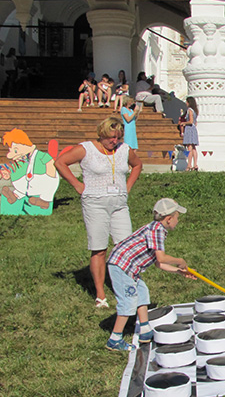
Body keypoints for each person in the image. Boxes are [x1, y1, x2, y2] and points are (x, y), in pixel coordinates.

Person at [54, 116, 143, 309]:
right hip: (95, 203)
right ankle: (100, 294)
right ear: (101, 134)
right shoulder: (86, 149)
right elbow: (60, 162)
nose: (114, 141)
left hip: (119, 204)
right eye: (111, 137)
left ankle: (127, 287)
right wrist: (77, 185)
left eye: (118, 137)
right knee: (99, 248)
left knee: (125, 246)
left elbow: (137, 165)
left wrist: (127, 186)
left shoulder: (124, 150)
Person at [104, 198, 194, 351]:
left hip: (130, 268)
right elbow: (162, 258)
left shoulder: (157, 229)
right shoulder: (156, 230)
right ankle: (115, 339)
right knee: (128, 302)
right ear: (169, 219)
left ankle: (145, 330)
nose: (178, 221)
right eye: (177, 218)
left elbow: (159, 264)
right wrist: (180, 261)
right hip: (121, 266)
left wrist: (179, 271)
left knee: (142, 292)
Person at [181, 97, 199, 171]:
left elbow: (191, 121)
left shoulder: (190, 110)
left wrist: (184, 123)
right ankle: (195, 164)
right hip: (194, 128)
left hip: (189, 129)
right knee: (194, 148)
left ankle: (189, 165)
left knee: (190, 147)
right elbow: (195, 122)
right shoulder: (195, 111)